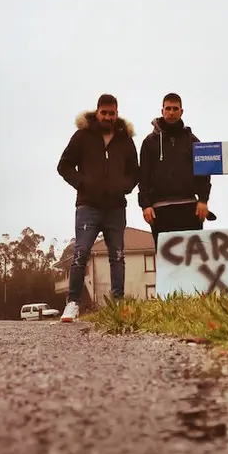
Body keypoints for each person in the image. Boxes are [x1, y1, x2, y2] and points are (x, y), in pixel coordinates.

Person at [56, 93, 140, 322]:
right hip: (88, 207)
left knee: (118, 256)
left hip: (115, 208)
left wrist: (125, 186)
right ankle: (73, 304)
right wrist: (82, 183)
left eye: (112, 113)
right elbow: (63, 166)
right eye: (104, 113)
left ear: (117, 113)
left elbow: (135, 172)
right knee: (80, 253)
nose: (108, 117)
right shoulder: (82, 136)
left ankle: (118, 303)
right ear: (97, 112)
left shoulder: (125, 140)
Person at [138, 92, 215, 249]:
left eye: (175, 108)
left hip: (189, 208)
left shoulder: (192, 140)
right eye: (168, 108)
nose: (171, 112)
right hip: (159, 210)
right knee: (166, 263)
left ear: (181, 111)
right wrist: (145, 205)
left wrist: (203, 200)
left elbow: (204, 173)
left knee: (193, 259)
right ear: (162, 111)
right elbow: (143, 176)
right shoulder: (149, 142)